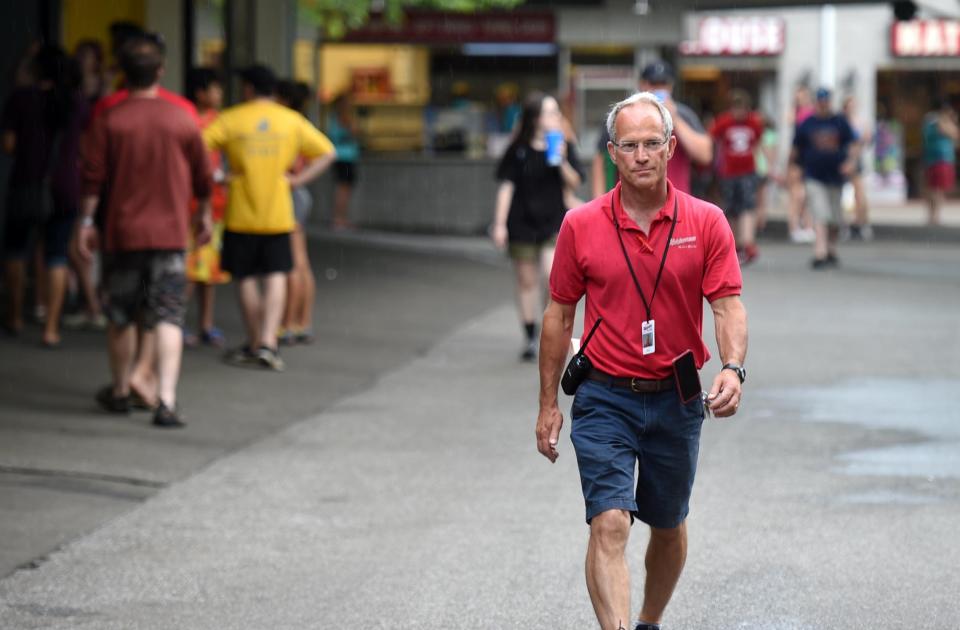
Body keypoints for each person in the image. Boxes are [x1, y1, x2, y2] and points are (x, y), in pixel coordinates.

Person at [537, 91, 747, 630]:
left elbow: (726, 304)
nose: (641, 154)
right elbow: (559, 318)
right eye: (628, 145)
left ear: (671, 147)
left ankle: (649, 621)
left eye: (652, 143)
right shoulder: (580, 225)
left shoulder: (706, 221)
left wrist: (731, 366)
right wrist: (547, 405)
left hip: (676, 398)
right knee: (609, 523)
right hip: (604, 394)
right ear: (611, 152)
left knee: (669, 524)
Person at [74, 34, 212, 427]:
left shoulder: (110, 119)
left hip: (122, 235)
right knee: (168, 315)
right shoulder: (182, 117)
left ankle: (120, 390)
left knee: (120, 315)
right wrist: (204, 215)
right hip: (169, 235)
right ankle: (166, 401)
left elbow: (92, 180)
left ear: (122, 75)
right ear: (161, 72)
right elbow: (204, 177)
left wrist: (85, 223)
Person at [203, 64, 335, 371]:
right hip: (279, 212)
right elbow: (328, 153)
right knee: (276, 275)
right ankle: (268, 343)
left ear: (248, 88)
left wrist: (219, 175)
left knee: (246, 277)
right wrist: (297, 181)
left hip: (240, 212)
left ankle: (253, 341)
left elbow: (196, 146)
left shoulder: (232, 118)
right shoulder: (290, 120)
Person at [491, 91, 584, 361]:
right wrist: (499, 224)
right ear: (536, 118)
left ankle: (550, 331)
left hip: (554, 221)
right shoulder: (518, 148)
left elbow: (575, 182)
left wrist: (562, 159)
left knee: (550, 276)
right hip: (521, 222)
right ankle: (530, 335)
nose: (557, 117)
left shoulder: (563, 144)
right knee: (526, 280)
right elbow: (506, 188)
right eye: (550, 112)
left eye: (557, 112)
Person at [1, 45, 85, 344]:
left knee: (16, 250)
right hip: (65, 185)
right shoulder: (76, 102)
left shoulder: (21, 99)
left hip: (27, 183)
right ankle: (51, 329)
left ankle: (14, 316)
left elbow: (8, 145)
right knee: (57, 254)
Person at [591, 60, 712, 198]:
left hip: (676, 202)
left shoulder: (684, 115)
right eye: (653, 84)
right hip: (630, 201)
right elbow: (600, 158)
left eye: (663, 84)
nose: (658, 89)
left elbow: (705, 155)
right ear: (641, 84)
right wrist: (599, 199)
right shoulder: (624, 115)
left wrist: (675, 119)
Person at [182, 67, 230, 348]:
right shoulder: (185, 119)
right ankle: (176, 323)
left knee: (209, 270)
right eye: (215, 88)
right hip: (187, 204)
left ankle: (205, 324)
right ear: (201, 93)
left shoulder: (221, 122)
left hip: (215, 205)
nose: (219, 94)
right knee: (188, 268)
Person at [792, 87, 858, 270]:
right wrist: (794, 168)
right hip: (814, 175)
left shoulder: (839, 122)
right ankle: (819, 252)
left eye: (826, 101)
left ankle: (831, 249)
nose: (823, 104)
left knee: (836, 219)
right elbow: (797, 147)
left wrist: (851, 162)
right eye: (820, 101)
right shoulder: (807, 124)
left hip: (836, 176)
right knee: (821, 214)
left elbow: (852, 143)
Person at [277, 79, 320, 345]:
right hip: (300, 193)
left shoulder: (288, 124)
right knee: (302, 262)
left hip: (290, 193)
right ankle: (303, 322)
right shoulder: (302, 124)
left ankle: (288, 324)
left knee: (293, 262)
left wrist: (295, 178)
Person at [709, 89, 764, 264]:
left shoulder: (753, 122)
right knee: (731, 207)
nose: (738, 112)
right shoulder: (724, 122)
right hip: (729, 171)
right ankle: (735, 242)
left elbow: (758, 142)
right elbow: (712, 138)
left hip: (747, 170)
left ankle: (748, 242)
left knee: (747, 205)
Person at [786, 86, 816, 243]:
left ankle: (807, 226)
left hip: (807, 158)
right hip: (799, 158)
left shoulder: (810, 114)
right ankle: (795, 227)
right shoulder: (798, 115)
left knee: (806, 195)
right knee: (796, 195)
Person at [922, 99, 958, 226]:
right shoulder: (941, 121)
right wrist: (952, 120)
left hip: (930, 158)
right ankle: (935, 216)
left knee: (932, 187)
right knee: (938, 189)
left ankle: (931, 215)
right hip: (942, 159)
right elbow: (955, 134)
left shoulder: (928, 120)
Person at [327, 92, 360, 230]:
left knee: (342, 189)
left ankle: (339, 219)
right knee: (344, 189)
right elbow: (355, 131)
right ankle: (339, 219)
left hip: (340, 157)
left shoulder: (333, 118)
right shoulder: (344, 118)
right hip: (346, 157)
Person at [842, 95, 873, 240]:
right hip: (842, 159)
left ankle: (861, 222)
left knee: (859, 192)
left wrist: (854, 156)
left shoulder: (860, 122)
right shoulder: (841, 121)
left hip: (855, 160)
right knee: (840, 193)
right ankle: (843, 223)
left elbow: (866, 140)